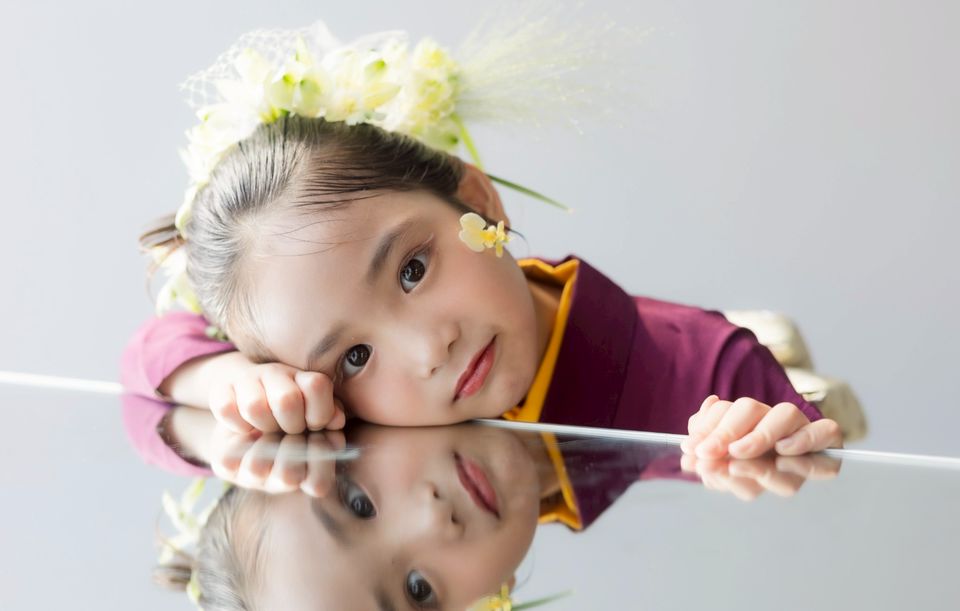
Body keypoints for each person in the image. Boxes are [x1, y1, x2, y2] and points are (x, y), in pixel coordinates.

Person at [123, 20, 843, 461]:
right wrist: (230, 383)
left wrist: (764, 438)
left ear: (477, 199)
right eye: (354, 357)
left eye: (411, 270)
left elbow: (816, 471)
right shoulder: (341, 397)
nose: (427, 350)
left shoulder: (706, 368)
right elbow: (150, 350)